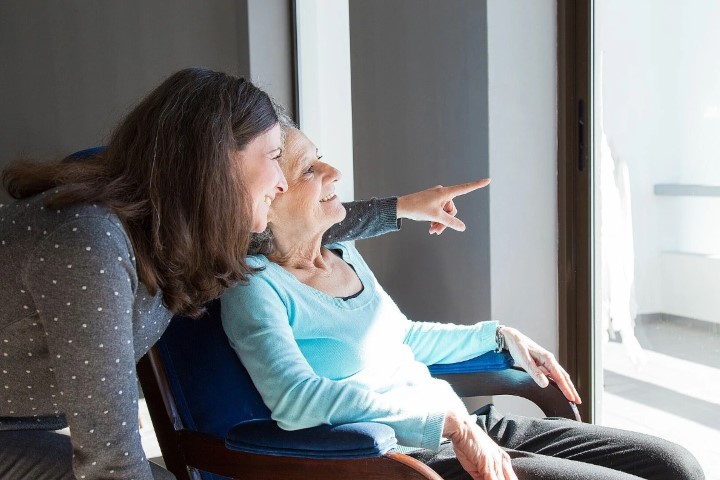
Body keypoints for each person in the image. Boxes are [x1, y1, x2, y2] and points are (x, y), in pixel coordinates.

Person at [0, 67, 476, 480]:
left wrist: (400, 209)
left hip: (23, 422)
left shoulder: (181, 230)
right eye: (274, 158)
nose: (284, 183)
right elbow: (110, 460)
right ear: (217, 164)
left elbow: (294, 222)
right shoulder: (91, 245)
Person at [221, 126, 705, 480]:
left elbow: (403, 338)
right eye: (310, 169)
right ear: (269, 197)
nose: (334, 172)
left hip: (461, 425)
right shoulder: (255, 288)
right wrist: (449, 423)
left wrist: (499, 336)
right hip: (403, 458)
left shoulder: (342, 253)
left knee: (676, 466)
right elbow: (296, 402)